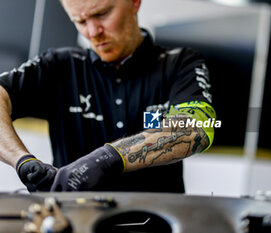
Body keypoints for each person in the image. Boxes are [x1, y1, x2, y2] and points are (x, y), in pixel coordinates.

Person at [0, 0, 216, 193]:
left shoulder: (180, 64)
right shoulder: (59, 66)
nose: (93, 32)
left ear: (134, 3)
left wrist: (108, 158)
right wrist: (22, 161)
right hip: (75, 220)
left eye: (101, 14)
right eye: (80, 21)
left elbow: (196, 127)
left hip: (157, 220)